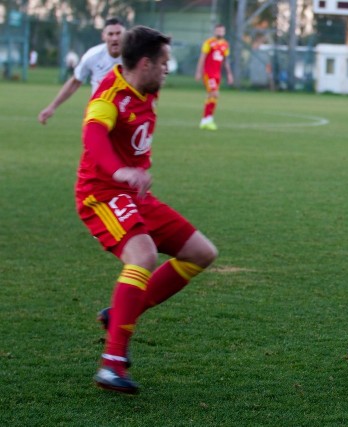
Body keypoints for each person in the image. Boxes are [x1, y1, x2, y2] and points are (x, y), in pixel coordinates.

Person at [76, 25, 218, 394]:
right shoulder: (110, 93)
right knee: (143, 255)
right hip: (102, 193)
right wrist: (119, 169)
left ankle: (122, 314)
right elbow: (93, 136)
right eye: (164, 63)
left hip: (133, 195)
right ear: (145, 63)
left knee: (202, 253)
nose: (167, 70)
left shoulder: (146, 87)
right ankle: (112, 363)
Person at [38, 18, 125, 125]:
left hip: (126, 113)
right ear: (103, 36)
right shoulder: (93, 56)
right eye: (110, 34)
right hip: (99, 111)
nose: (115, 38)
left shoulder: (135, 56)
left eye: (118, 33)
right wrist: (52, 107)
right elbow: (75, 81)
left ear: (125, 35)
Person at [195, 24, 234, 131]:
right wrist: (199, 72)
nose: (219, 32)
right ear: (214, 31)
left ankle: (206, 120)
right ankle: (207, 119)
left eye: (221, 30)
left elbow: (226, 61)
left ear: (224, 32)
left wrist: (229, 74)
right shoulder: (209, 42)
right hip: (209, 73)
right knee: (215, 93)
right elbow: (202, 58)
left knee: (212, 96)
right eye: (218, 30)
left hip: (217, 74)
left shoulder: (225, 44)